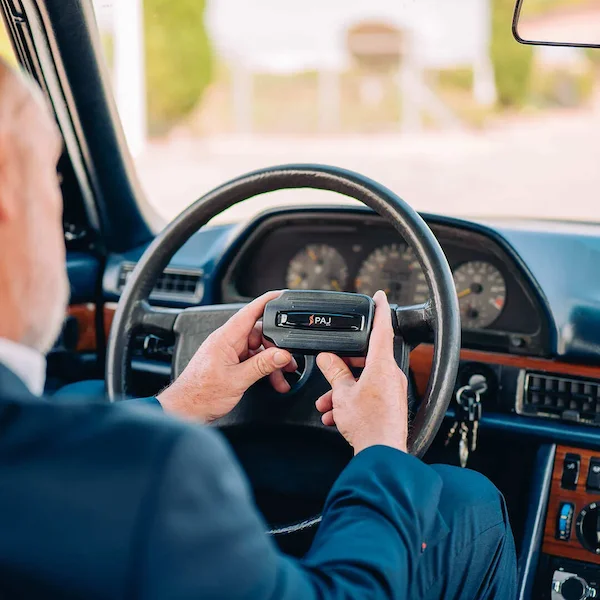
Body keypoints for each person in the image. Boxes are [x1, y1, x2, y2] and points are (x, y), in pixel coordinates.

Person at [0, 59, 517, 599]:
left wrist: (180, 401)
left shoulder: (50, 458)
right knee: (466, 502)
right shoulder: (157, 474)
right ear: (7, 197)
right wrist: (380, 450)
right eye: (51, 180)